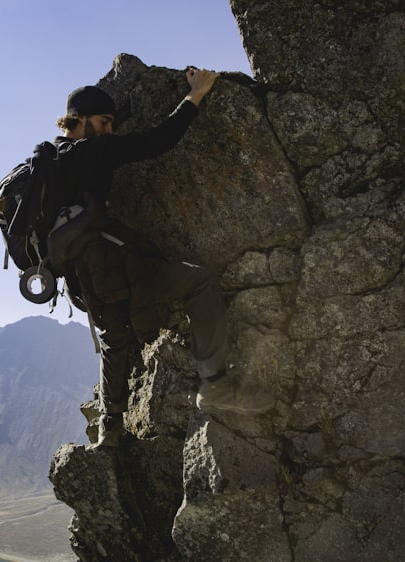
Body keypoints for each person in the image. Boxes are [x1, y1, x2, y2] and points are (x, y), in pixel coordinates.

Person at [48, 68, 274, 448]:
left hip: (78, 282)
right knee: (200, 282)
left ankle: (110, 427)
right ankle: (215, 385)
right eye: (104, 122)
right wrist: (197, 94)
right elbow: (159, 140)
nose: (109, 131)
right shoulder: (95, 150)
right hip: (113, 270)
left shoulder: (49, 161)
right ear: (82, 120)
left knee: (113, 339)